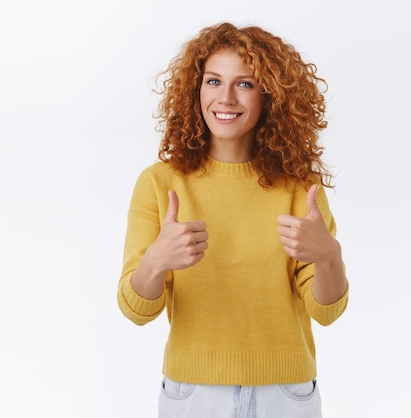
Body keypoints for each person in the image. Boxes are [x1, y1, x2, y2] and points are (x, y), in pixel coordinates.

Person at [116, 22, 349, 418]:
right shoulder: (159, 182)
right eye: (213, 81)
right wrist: (157, 260)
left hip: (286, 394)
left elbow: (325, 311)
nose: (225, 98)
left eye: (245, 84)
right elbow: (136, 309)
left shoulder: (299, 187)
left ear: (269, 96)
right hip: (193, 395)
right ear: (195, 89)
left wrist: (329, 256)